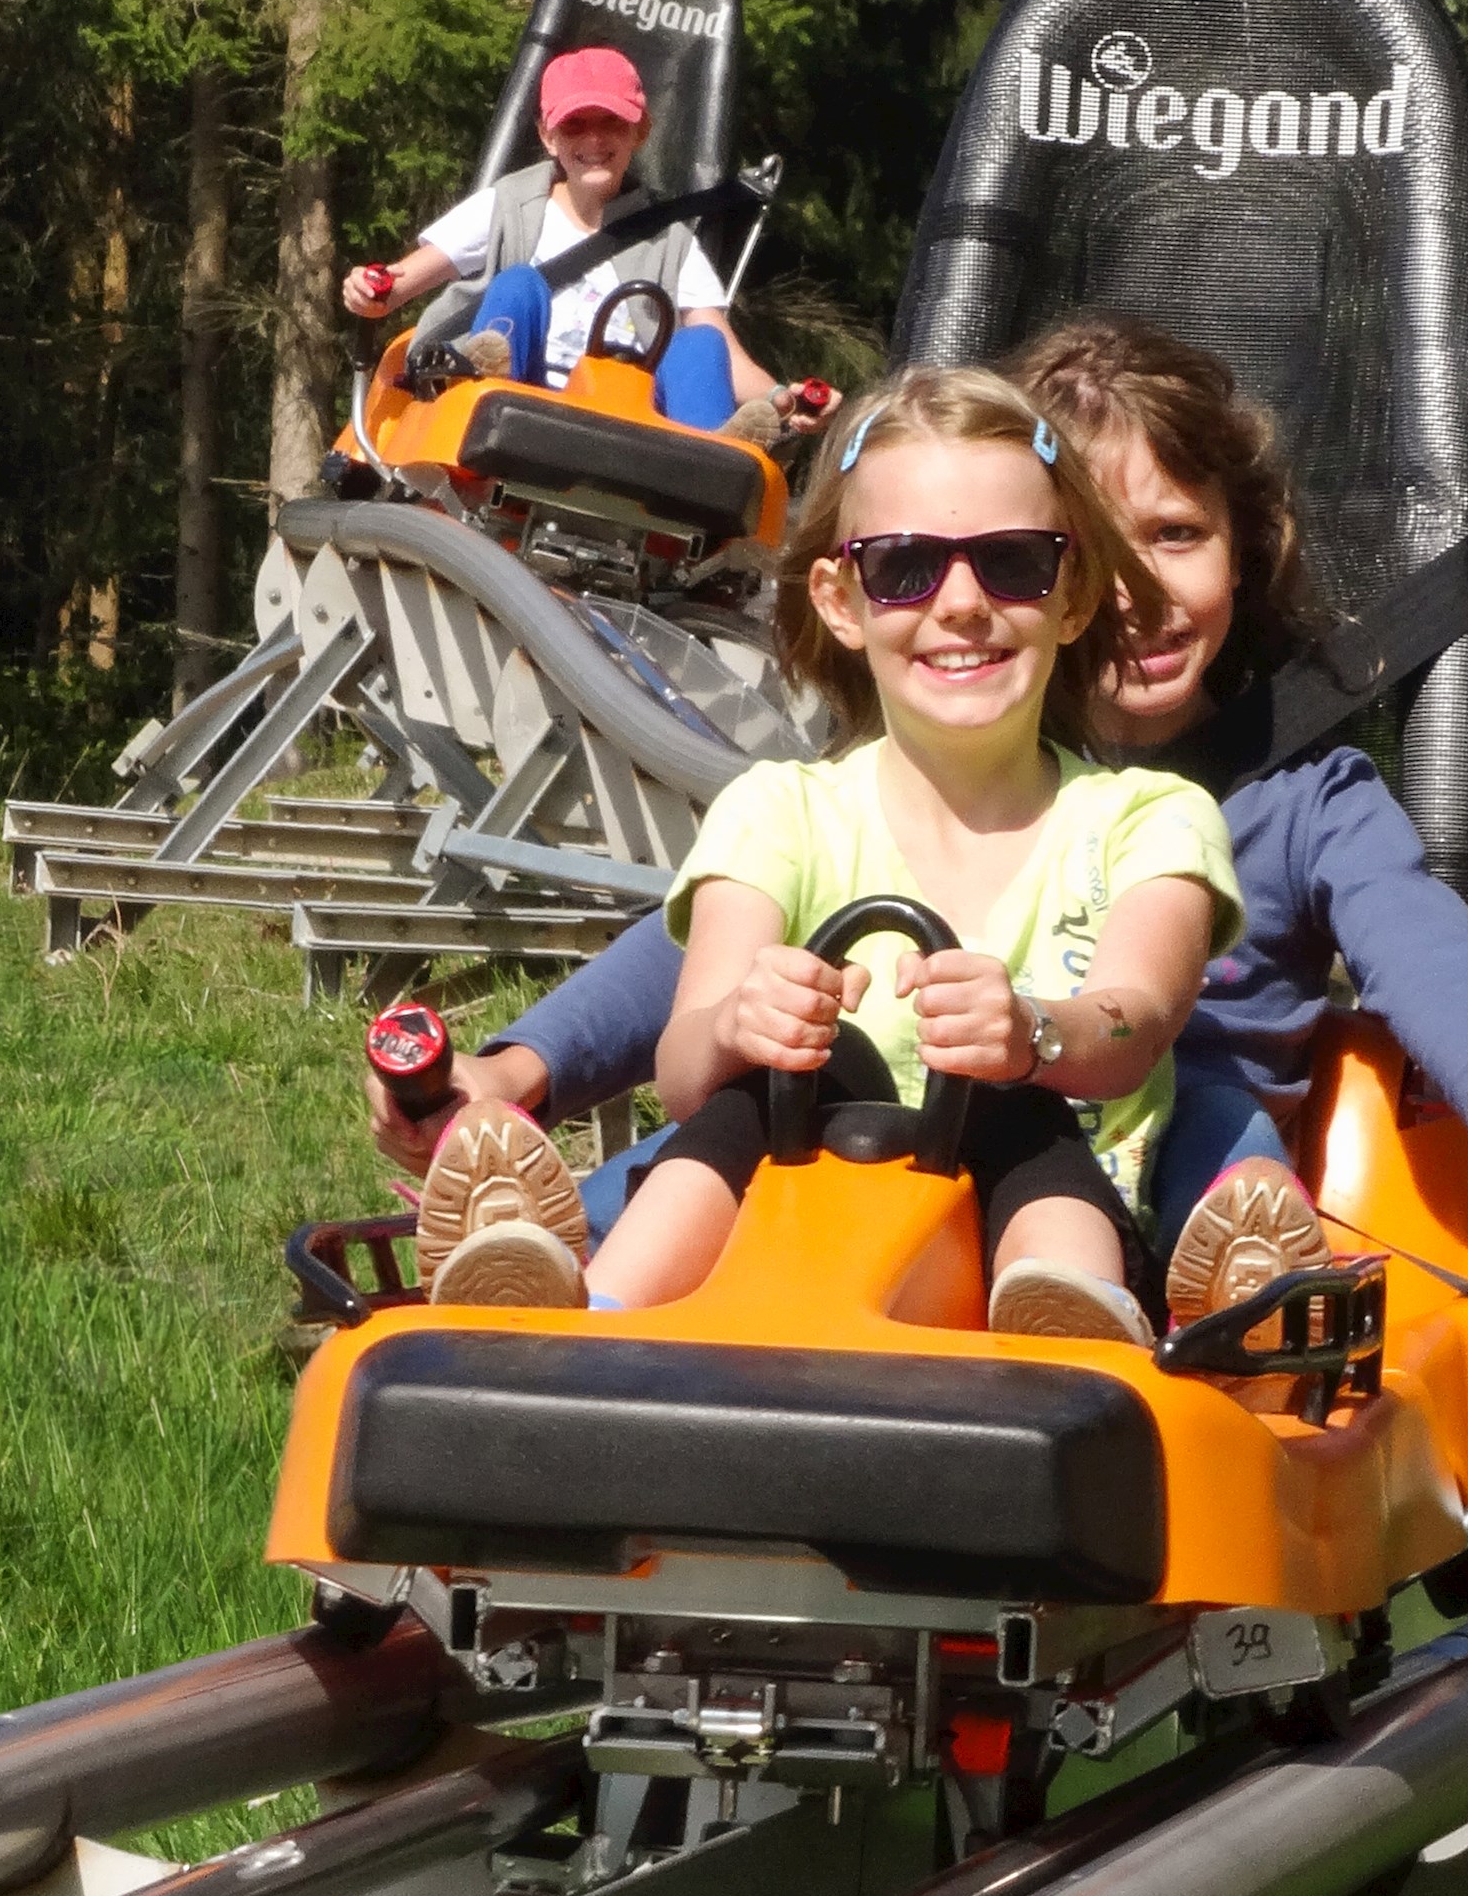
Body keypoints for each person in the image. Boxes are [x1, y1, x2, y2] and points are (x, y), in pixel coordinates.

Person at [378, 318, 1468, 1321]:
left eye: (1178, 535)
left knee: (1206, 1112)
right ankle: (543, 1275)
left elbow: (1430, 956)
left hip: (1139, 1159)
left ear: (1243, 554)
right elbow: (708, 948)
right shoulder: (933, 763)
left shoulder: (1298, 800)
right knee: (729, 1128)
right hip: (883, 1149)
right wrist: (516, 1068)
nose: (1141, 587)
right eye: (1101, 540)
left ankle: (1234, 1297)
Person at [417, 362, 1238, 1344]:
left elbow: (1134, 1021)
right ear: (843, 601)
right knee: (767, 1088)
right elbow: (683, 1068)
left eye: (1013, 561)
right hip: (799, 1235)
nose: (964, 603)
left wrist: (1035, 1032)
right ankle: (590, 1309)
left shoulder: (1152, 818)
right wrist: (739, 1024)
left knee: (1003, 1095)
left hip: (1032, 1228)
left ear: (1072, 596)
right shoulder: (779, 811)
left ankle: (1064, 1314)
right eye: (906, 566)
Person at [339, 43, 777, 428]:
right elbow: (397, 285)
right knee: (518, 283)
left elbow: (729, 357)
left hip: (627, 414)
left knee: (700, 344)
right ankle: (488, 379)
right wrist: (370, 290)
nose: (594, 138)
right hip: (524, 397)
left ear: (639, 132)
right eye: (574, 125)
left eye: (611, 122)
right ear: (548, 136)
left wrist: (783, 400)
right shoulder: (508, 206)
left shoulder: (671, 242)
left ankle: (712, 457)